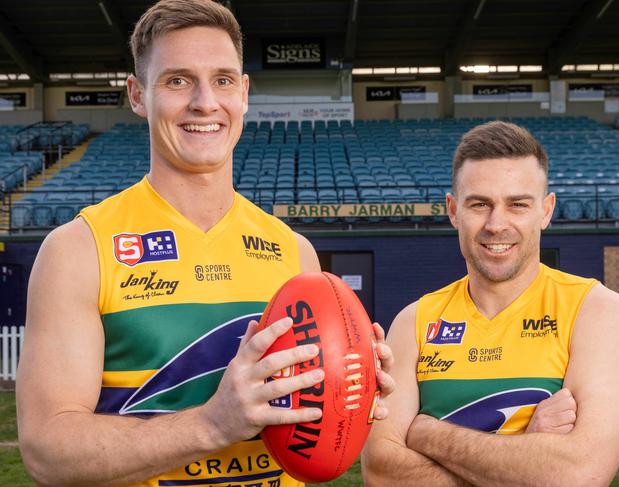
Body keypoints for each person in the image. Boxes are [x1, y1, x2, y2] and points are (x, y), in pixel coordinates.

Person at [16, 1, 394, 486]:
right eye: (177, 80)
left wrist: (351, 388)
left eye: (223, 80)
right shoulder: (79, 249)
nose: (204, 102)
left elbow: (307, 424)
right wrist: (211, 424)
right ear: (137, 94)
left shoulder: (294, 252)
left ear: (244, 93)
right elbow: (49, 451)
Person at [362, 121, 619, 486]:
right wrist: (525, 451)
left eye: (517, 205)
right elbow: (382, 473)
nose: (496, 224)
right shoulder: (413, 322)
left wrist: (427, 433)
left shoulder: (596, 311)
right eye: (480, 204)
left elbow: (575, 475)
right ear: (453, 210)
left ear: (546, 210)